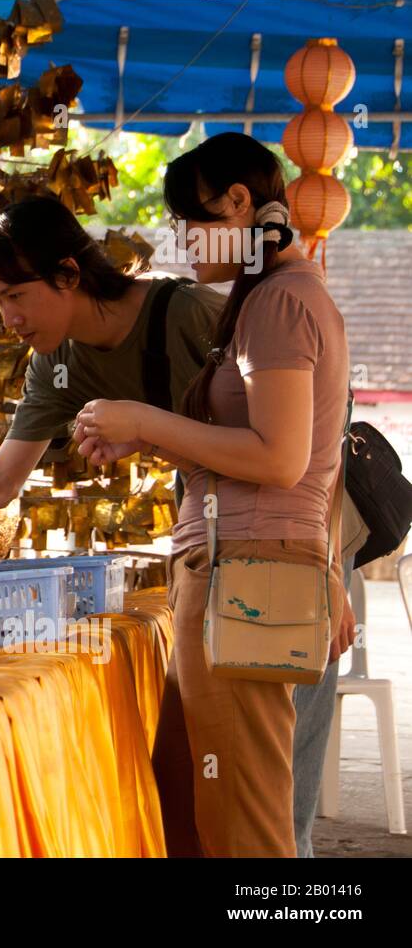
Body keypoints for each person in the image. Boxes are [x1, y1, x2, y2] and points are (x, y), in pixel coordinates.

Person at [74, 131, 356, 856]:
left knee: (242, 823)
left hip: (250, 572)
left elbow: (282, 457)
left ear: (239, 203)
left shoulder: (282, 300)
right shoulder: (266, 295)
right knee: (195, 808)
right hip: (230, 567)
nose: (183, 243)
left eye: (189, 222)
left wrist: (144, 417)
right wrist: (152, 438)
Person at [0, 193, 223, 855]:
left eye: (15, 295)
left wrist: (327, 565)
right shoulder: (57, 362)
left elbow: (289, 443)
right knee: (184, 770)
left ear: (68, 273)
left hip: (289, 533)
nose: (6, 318)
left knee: (256, 782)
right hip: (205, 532)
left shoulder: (191, 314)